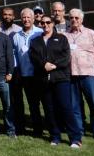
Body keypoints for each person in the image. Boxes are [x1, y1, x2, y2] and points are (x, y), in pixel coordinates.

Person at [29, 16, 80, 147]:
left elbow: (66, 56)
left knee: (65, 107)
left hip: (61, 78)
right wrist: (43, 65)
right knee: (49, 108)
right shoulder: (35, 41)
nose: (45, 25)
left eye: (48, 22)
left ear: (52, 24)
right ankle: (55, 136)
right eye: (42, 23)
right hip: (43, 79)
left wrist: (54, 65)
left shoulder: (62, 38)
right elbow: (33, 57)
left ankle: (75, 138)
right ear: (40, 24)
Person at [65, 8, 94, 142]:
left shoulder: (90, 33)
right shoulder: (66, 35)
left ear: (82, 19)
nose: (74, 20)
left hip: (88, 74)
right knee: (75, 106)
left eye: (77, 18)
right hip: (72, 75)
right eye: (71, 18)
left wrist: (92, 62)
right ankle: (79, 130)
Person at [11, 8, 42, 136]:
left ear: (33, 18)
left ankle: (37, 129)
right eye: (24, 17)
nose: (26, 20)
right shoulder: (17, 36)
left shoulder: (39, 32)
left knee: (34, 104)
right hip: (21, 74)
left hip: (36, 74)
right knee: (18, 103)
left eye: (29, 17)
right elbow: (14, 55)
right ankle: (21, 127)